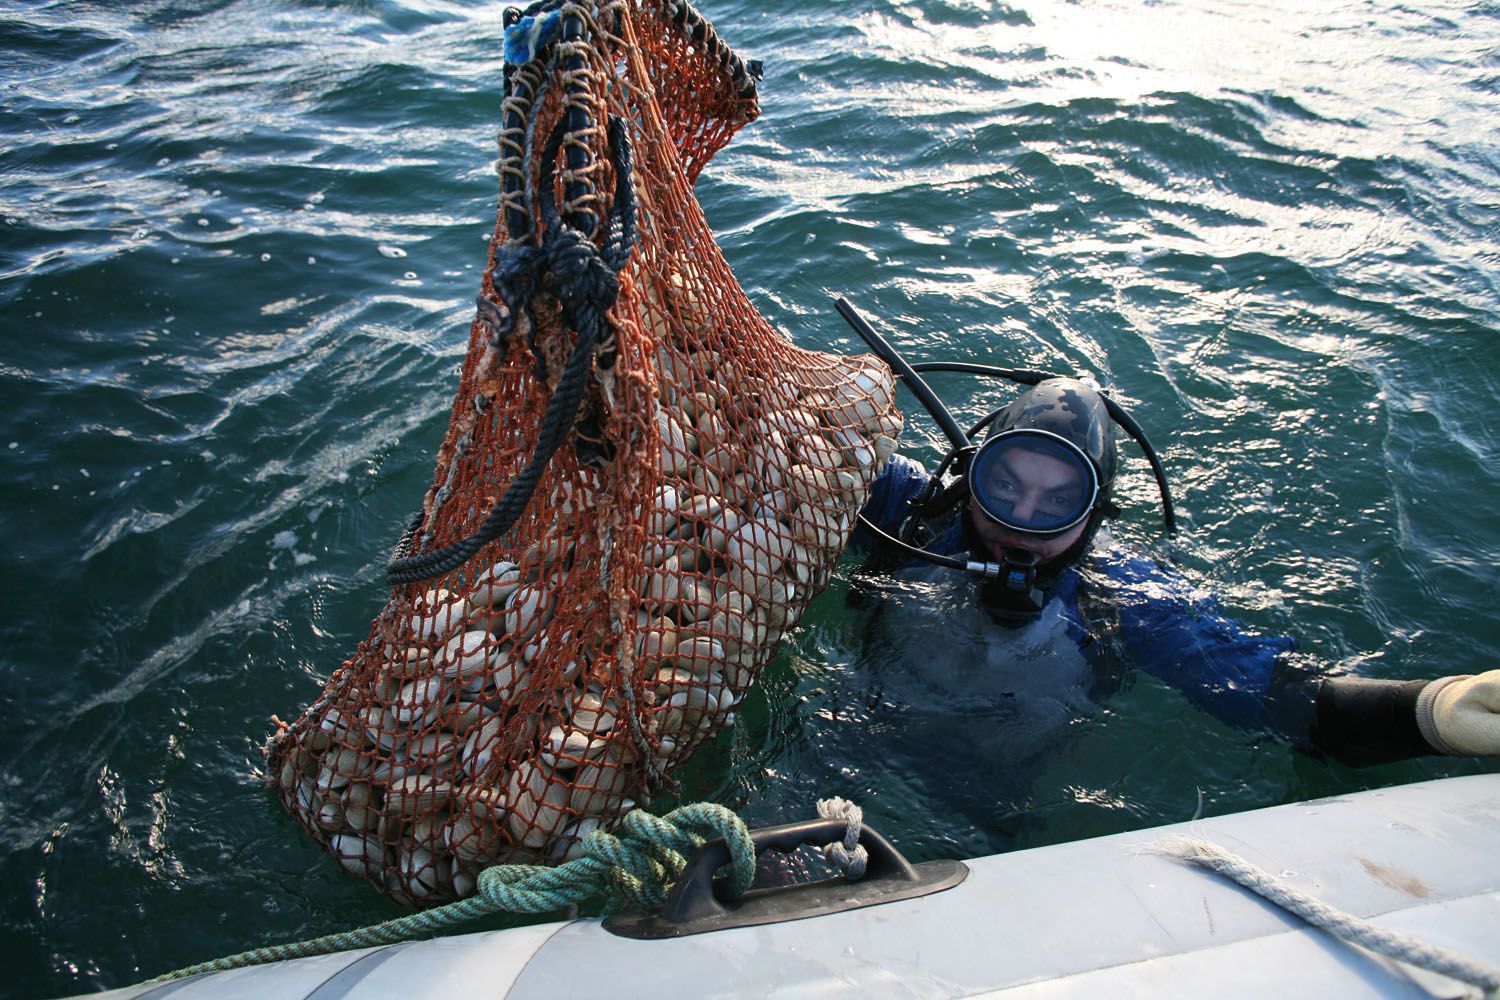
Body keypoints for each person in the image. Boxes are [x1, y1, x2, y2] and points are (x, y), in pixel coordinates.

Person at [851, 374, 1500, 768]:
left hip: (987, 782)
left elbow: (1280, 697)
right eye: (1004, 485)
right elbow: (792, 451)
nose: (1022, 522)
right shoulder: (910, 510)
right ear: (972, 477)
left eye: (1057, 502)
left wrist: (1433, 712)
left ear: (1095, 515)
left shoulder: (1123, 601)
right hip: (849, 728)